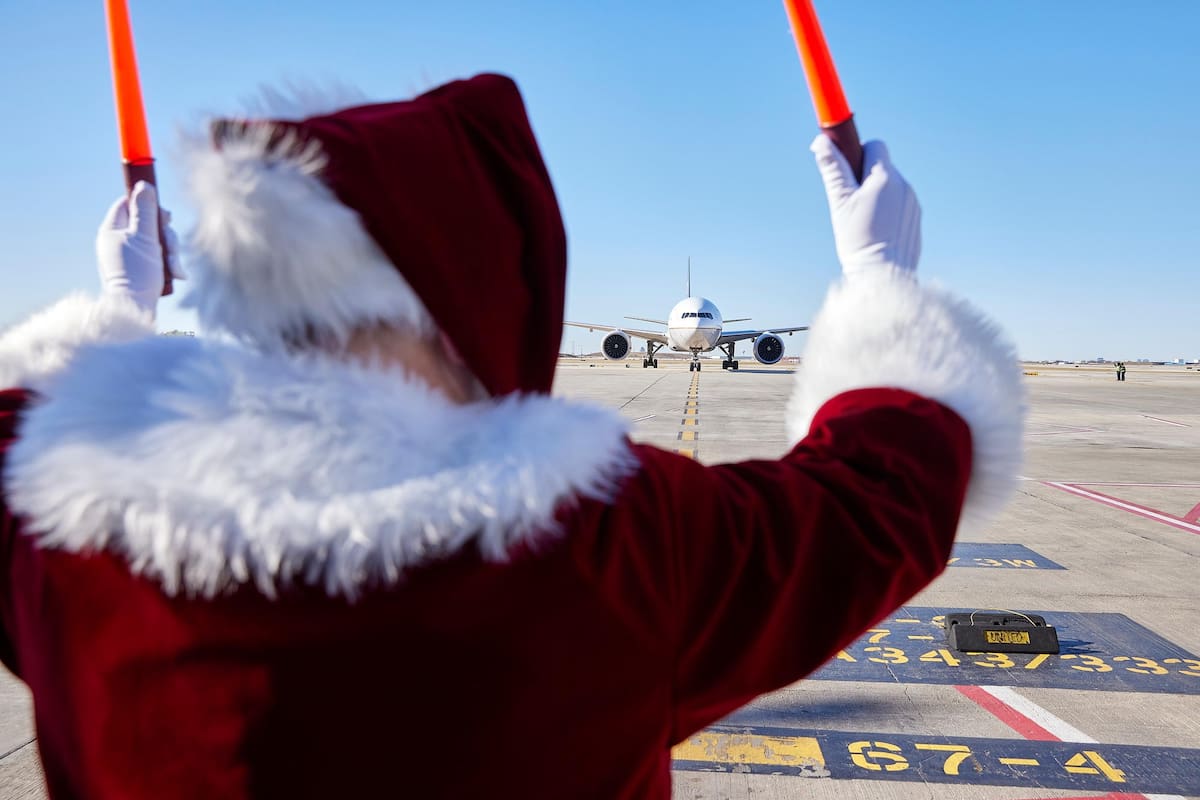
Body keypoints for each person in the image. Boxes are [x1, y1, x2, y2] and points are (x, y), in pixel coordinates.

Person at [0, 74, 1024, 798]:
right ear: (469, 306)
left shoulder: (65, 523)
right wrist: (883, 279)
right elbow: (872, 496)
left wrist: (116, 312)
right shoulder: (607, 542)